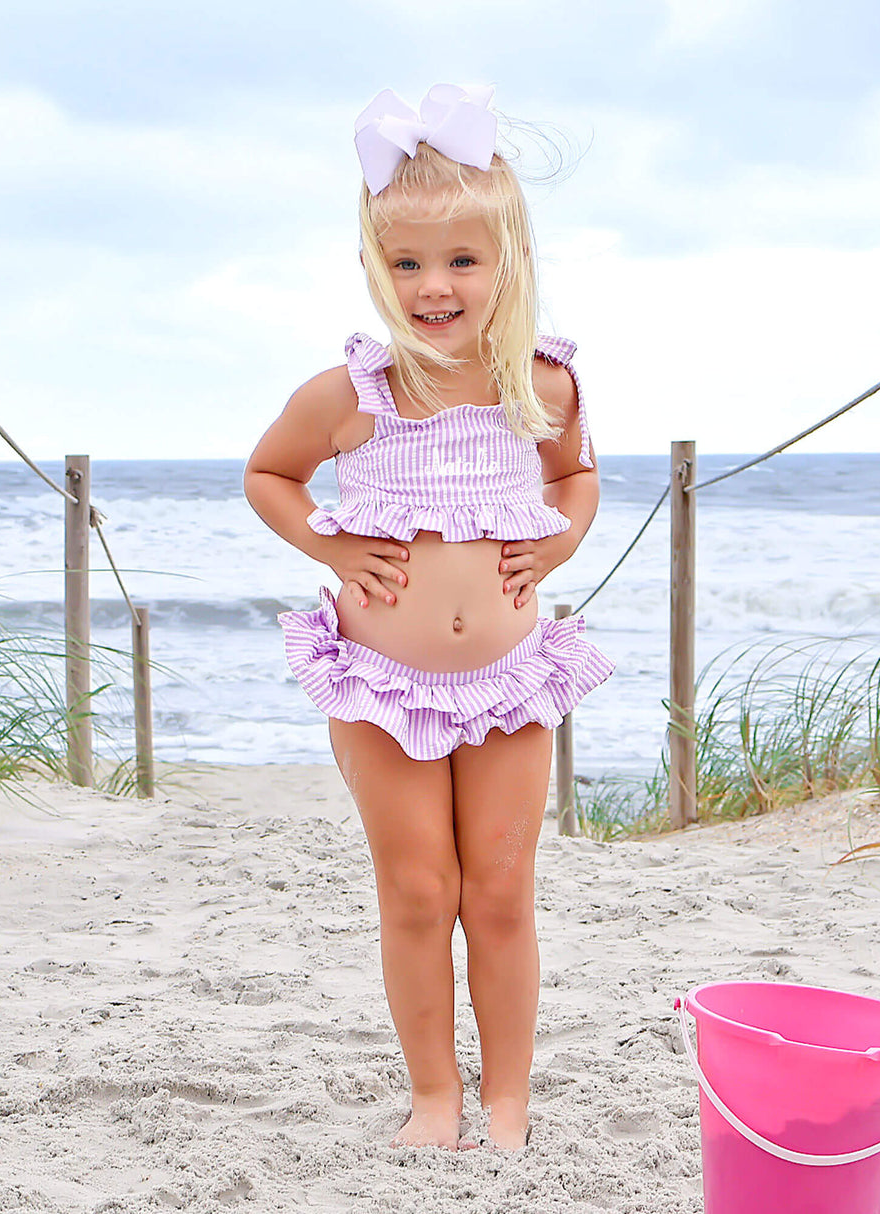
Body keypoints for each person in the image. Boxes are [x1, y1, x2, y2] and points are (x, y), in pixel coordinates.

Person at [243, 84, 612, 1152]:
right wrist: (326, 541)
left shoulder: (541, 385)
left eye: (460, 260)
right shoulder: (350, 394)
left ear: (508, 262)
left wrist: (563, 536)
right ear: (373, 265)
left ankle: (504, 1100)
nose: (433, 286)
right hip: (381, 683)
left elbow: (575, 480)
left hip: (508, 683)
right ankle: (432, 1095)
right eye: (406, 263)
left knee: (497, 889)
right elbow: (269, 473)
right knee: (416, 888)